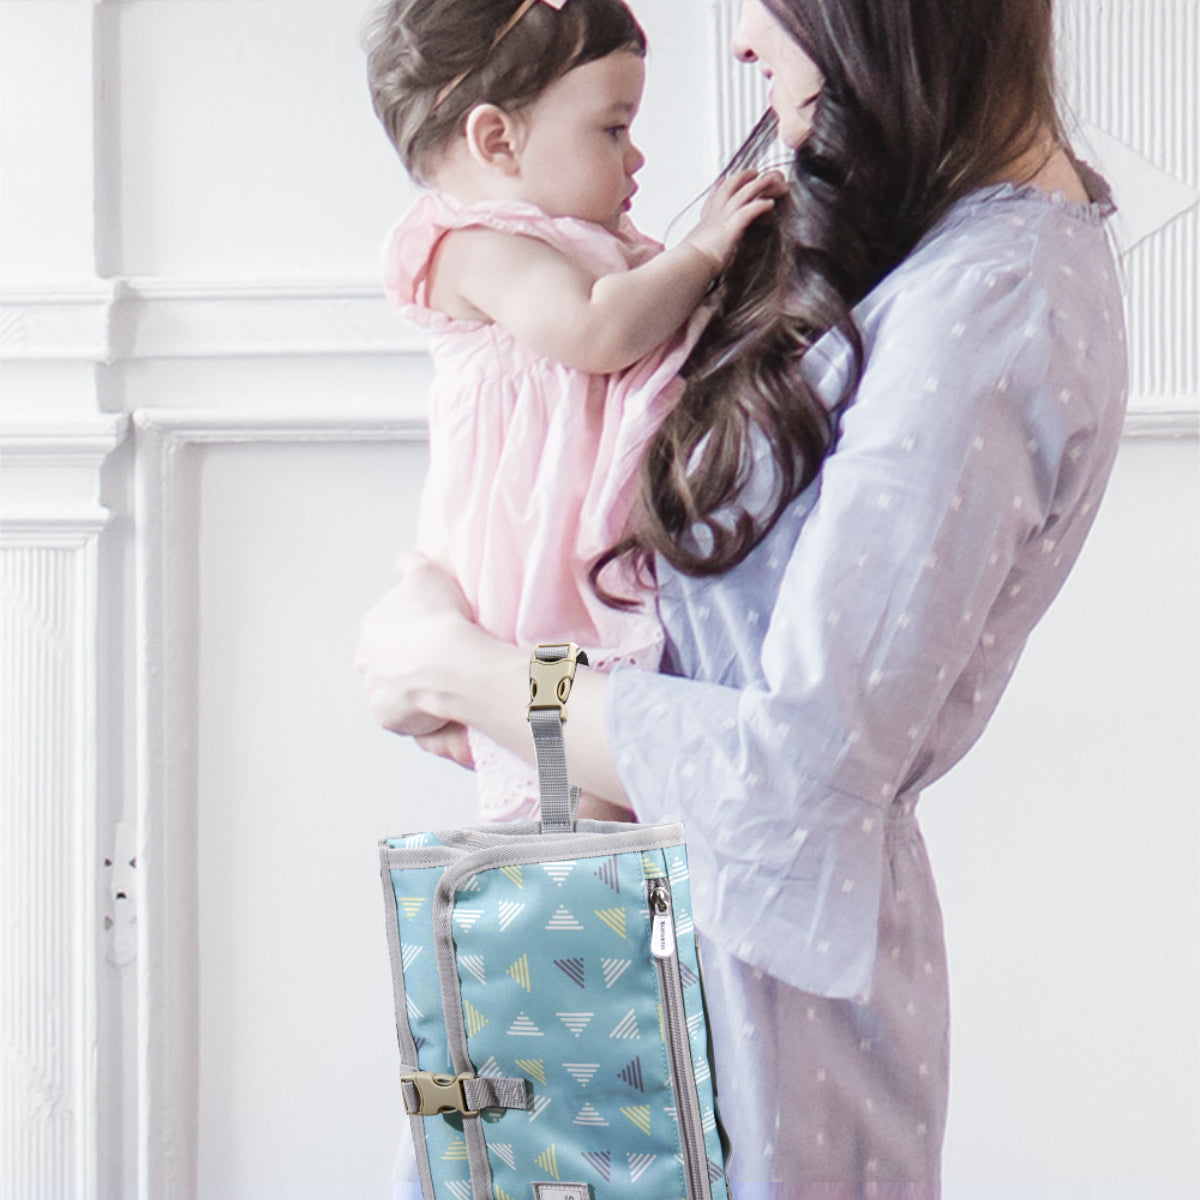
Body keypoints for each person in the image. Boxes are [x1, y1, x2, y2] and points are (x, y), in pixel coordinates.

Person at [358, 0, 1128, 1191]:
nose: (741, 40)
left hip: (737, 1017)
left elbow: (794, 773)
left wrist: (465, 671)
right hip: (631, 962)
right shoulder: (932, 242)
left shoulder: (994, 301)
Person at [365, 0, 782, 822]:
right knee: (578, 785)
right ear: (496, 141)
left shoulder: (583, 243)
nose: (637, 156)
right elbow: (597, 333)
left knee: (618, 777)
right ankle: (566, 938)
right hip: (529, 557)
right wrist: (702, 250)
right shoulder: (477, 245)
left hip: (581, 545)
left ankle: (600, 928)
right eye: (612, 129)